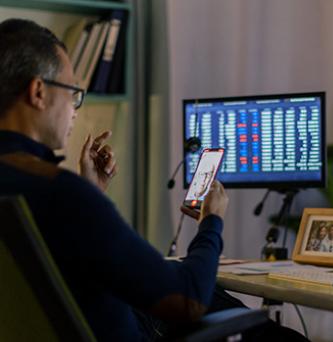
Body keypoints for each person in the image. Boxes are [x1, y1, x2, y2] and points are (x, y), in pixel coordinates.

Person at [0, 19, 309, 341]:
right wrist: (212, 220)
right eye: (73, 93)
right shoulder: (61, 192)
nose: (75, 109)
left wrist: (91, 192)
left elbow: (70, 265)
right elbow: (187, 301)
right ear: (38, 92)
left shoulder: (35, 188)